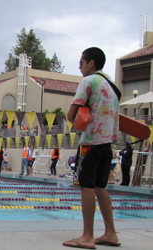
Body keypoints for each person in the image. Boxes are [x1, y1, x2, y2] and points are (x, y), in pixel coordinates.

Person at [63, 47, 120, 248]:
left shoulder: (89, 81)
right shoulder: (112, 87)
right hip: (107, 145)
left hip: (90, 143)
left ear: (91, 63)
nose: (80, 67)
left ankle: (87, 236)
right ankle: (111, 233)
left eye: (81, 63)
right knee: (100, 186)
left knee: (86, 186)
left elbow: (71, 115)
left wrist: (79, 118)